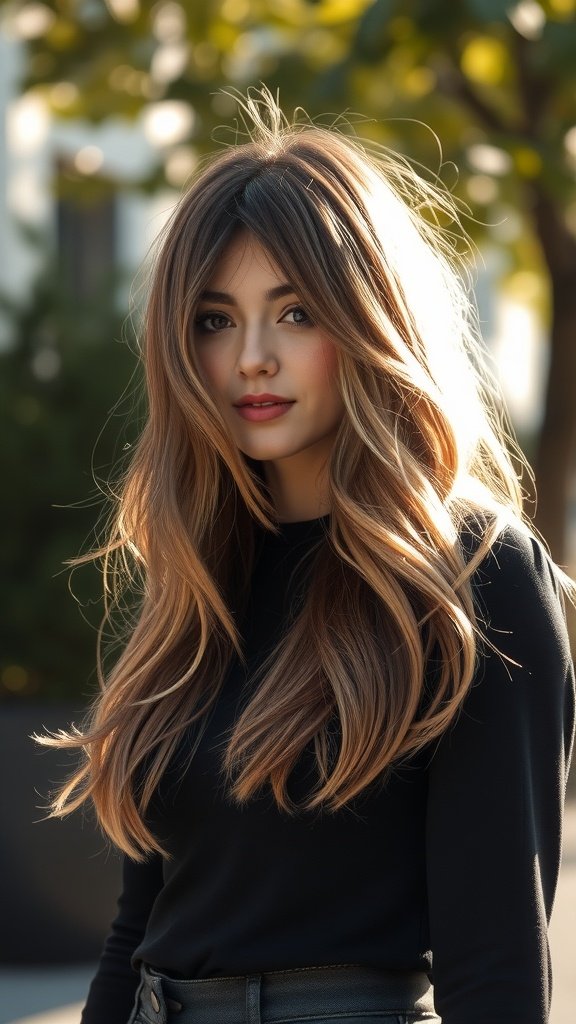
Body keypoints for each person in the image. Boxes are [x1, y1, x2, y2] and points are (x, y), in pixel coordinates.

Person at [39, 87, 575, 1024]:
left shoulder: (473, 576)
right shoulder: (201, 575)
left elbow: (497, 966)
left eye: (294, 314)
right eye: (214, 319)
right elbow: (140, 927)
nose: (251, 357)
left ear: (369, 321)